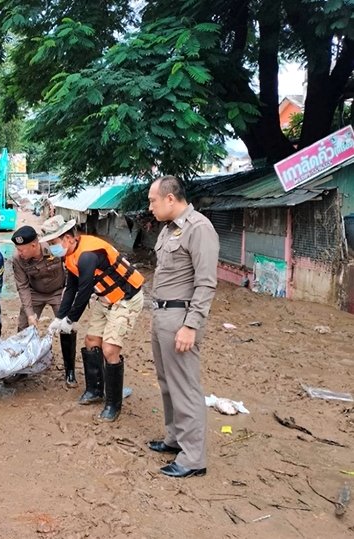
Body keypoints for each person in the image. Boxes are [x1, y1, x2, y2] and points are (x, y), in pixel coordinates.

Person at [146, 175, 219, 478]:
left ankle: (192, 459)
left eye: (153, 200)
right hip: (162, 316)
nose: (150, 206)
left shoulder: (199, 229)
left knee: (185, 387)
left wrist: (190, 326)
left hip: (181, 319)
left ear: (170, 199)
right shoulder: (168, 230)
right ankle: (175, 438)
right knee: (166, 382)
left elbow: (205, 283)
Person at [43, 215, 144, 422]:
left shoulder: (87, 254)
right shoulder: (69, 256)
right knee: (91, 341)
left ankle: (113, 404)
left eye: (54, 243)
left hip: (126, 298)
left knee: (110, 349)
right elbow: (71, 287)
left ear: (69, 238)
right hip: (105, 298)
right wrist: (59, 317)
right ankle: (95, 390)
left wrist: (71, 320)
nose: (52, 248)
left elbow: (84, 289)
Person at [10, 225, 77, 387]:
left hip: (58, 291)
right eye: (17, 249)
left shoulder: (54, 248)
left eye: (22, 249)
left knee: (68, 327)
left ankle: (70, 371)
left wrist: (68, 292)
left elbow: (71, 266)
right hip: (35, 293)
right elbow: (23, 286)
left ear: (34, 245)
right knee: (24, 326)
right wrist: (30, 313)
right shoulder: (18, 259)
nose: (19, 253)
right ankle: (21, 368)